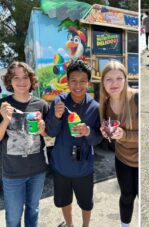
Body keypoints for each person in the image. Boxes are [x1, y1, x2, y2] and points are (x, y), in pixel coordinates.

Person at [45, 60, 102, 227]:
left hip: (84, 167)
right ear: (67, 81)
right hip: (61, 165)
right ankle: (69, 225)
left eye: (82, 81)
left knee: (86, 203)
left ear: (89, 82)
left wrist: (88, 132)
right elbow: (51, 132)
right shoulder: (59, 102)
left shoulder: (95, 107)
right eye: (73, 81)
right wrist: (55, 117)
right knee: (64, 201)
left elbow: (98, 139)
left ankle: (85, 225)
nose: (78, 85)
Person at [0, 62, 49, 227]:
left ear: (31, 79)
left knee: (33, 211)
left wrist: (43, 130)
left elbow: (48, 137)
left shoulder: (41, 105)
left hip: (37, 170)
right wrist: (6, 120)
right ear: (9, 81)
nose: (21, 82)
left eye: (25, 77)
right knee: (13, 218)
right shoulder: (3, 105)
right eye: (16, 78)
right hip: (12, 172)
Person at [99, 61, 138, 227]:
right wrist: (106, 133)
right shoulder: (105, 104)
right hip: (122, 158)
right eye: (108, 79)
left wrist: (125, 135)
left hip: (140, 159)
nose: (114, 83)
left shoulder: (137, 97)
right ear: (103, 83)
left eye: (118, 78)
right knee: (127, 196)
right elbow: (109, 135)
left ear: (125, 79)